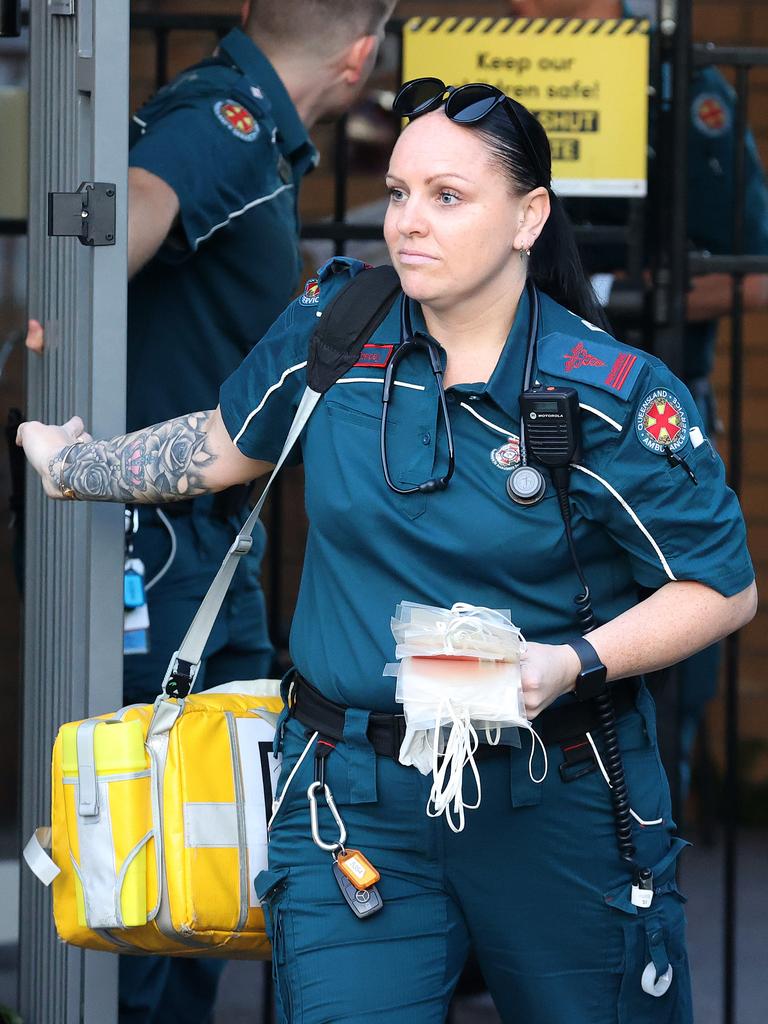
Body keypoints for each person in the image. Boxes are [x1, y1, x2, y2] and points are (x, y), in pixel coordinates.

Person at [18, 78, 756, 1024]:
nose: (410, 221)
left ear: (529, 216)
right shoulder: (338, 332)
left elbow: (720, 586)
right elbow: (220, 447)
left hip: (555, 797)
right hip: (349, 799)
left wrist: (572, 661)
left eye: (448, 197)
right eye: (401, 193)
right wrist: (73, 463)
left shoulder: (609, 392)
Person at [23, 2, 394, 1021]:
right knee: (145, 828)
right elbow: (134, 204)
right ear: (362, 58)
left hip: (207, 538)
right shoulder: (227, 123)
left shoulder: (258, 132)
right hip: (155, 541)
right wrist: (59, 293)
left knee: (218, 823)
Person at [506, 0, 768, 804]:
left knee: (667, 671)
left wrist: (622, 301)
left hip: (646, 413)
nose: (517, 7)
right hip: (501, 417)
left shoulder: (680, 82)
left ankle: (647, 859)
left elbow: (753, 269)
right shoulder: (504, 68)